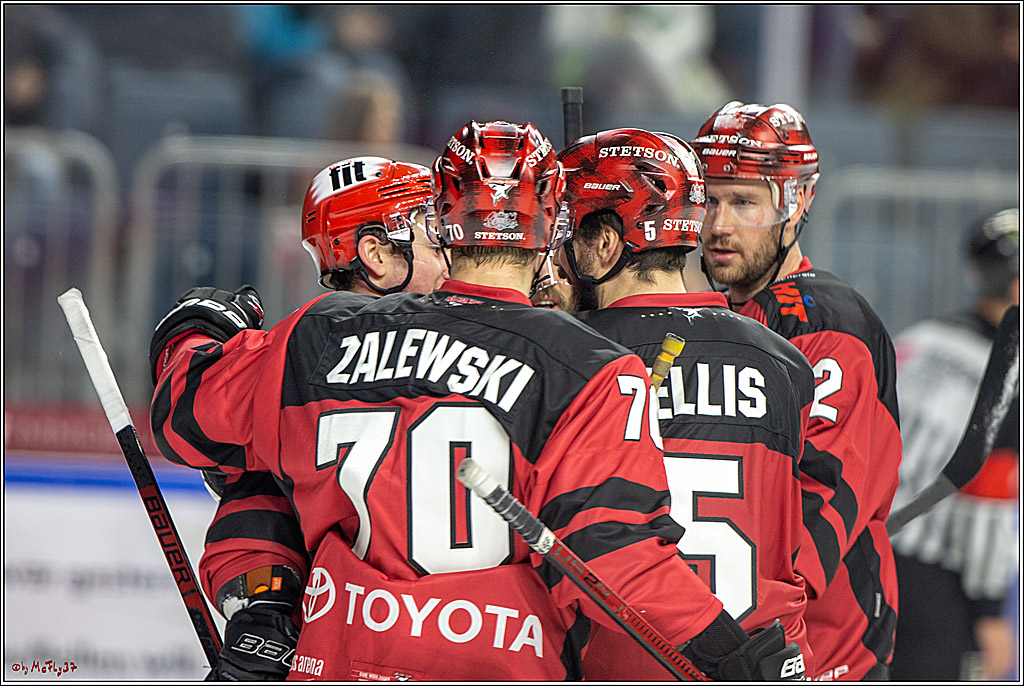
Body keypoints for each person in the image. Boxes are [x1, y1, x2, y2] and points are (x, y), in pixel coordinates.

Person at [150, 119, 804, 681]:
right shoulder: (590, 365)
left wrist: (194, 330)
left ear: (441, 220)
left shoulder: (318, 332)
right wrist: (733, 655)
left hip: (343, 658)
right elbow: (612, 553)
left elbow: (186, 420)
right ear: (551, 227)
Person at [164, 156, 449, 680]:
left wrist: (194, 331)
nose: (451, 247)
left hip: (342, 639)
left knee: (261, 464)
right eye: (432, 231)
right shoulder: (496, 336)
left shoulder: (300, 348)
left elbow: (183, 417)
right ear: (376, 254)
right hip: (465, 639)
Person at [552, 127, 816, 679]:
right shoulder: (784, 361)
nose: (556, 261)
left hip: (632, 663)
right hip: (765, 661)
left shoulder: (571, 359)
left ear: (606, 245)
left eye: (567, 237)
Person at [692, 101, 903, 680]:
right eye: (709, 200)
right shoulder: (716, 315)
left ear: (798, 202)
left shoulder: (826, 323)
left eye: (743, 202)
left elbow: (829, 489)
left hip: (820, 649)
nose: (718, 225)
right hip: (732, 638)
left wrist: (761, 620)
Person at [888, 208, 1020, 681]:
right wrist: (989, 613)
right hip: (936, 582)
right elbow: (986, 499)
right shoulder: (1009, 374)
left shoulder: (918, 339)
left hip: (862, 553)